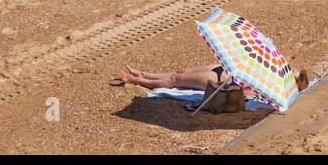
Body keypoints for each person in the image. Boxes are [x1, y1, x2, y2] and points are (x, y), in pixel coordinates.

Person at [118, 61, 309, 96]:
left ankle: (138, 80)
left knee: (176, 80)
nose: (292, 70)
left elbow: (247, 91)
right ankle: (144, 74)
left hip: (222, 79)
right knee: (181, 71)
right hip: (224, 67)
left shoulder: (272, 86)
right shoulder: (275, 68)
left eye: (295, 74)